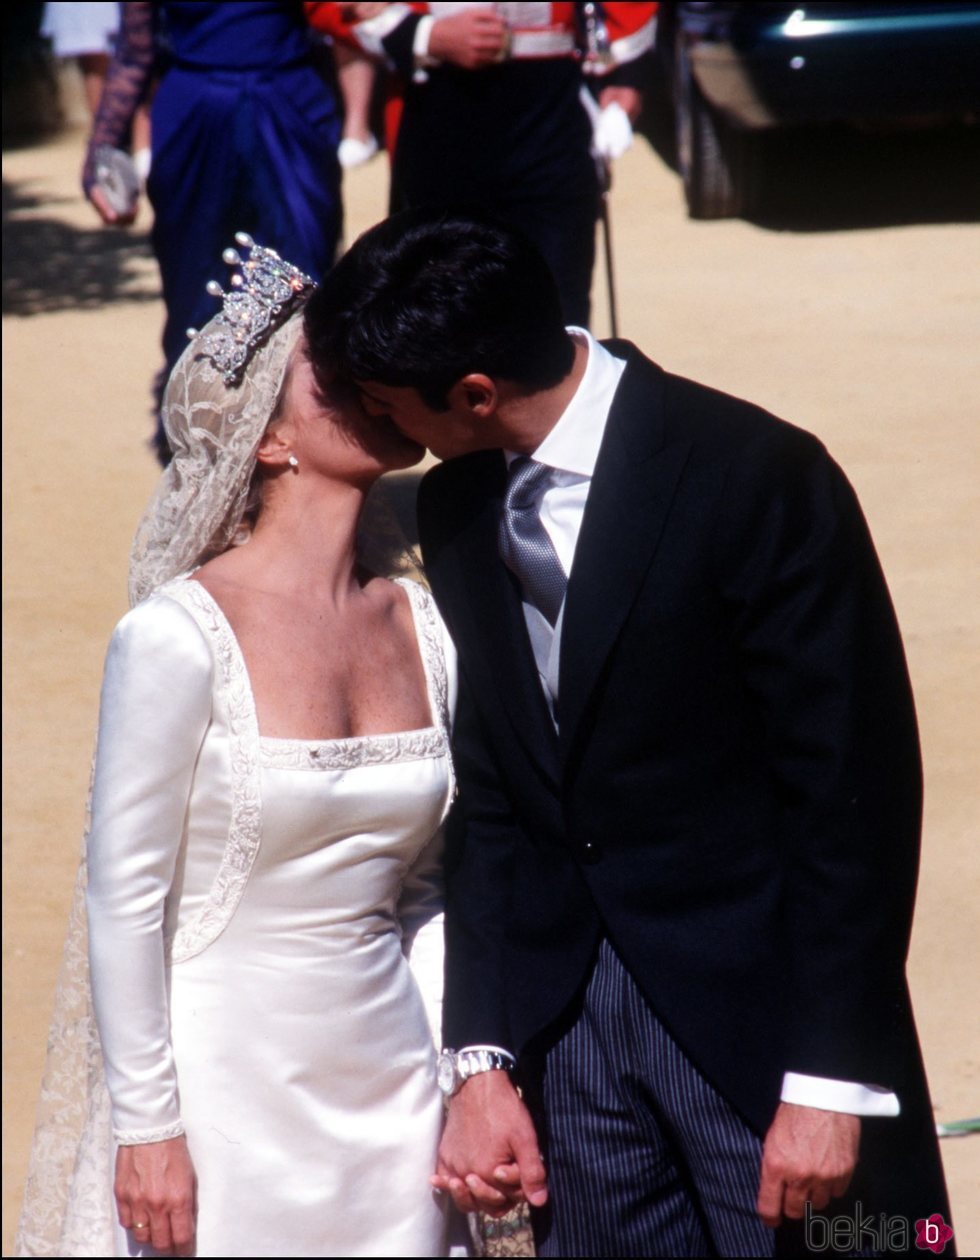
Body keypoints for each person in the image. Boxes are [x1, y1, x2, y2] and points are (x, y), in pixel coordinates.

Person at [304, 209, 953, 1257]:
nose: (386, 436)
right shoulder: (460, 505)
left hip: (757, 1032)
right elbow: (494, 795)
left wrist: (833, 1077)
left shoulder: (756, 475)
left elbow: (852, 797)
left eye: (390, 409)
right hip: (567, 1044)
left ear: (472, 394)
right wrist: (482, 1055)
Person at [16, 238, 461, 1258]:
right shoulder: (177, 638)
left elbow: (428, 889)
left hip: (397, 1106)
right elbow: (122, 900)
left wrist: (454, 1074)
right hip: (226, 1104)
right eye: (336, 374)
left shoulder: (424, 625)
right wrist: (149, 1130)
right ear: (266, 440)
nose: (375, 379)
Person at [84, 1, 343, 463]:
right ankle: (201, 456)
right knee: (195, 287)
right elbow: (136, 45)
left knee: (307, 281)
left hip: (290, 101)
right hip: (195, 114)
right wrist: (102, 149)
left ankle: (308, 459)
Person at [306, 0, 657, 327]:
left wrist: (626, 75)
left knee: (557, 311)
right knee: (439, 313)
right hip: (436, 110)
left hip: (553, 111)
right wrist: (425, 34)